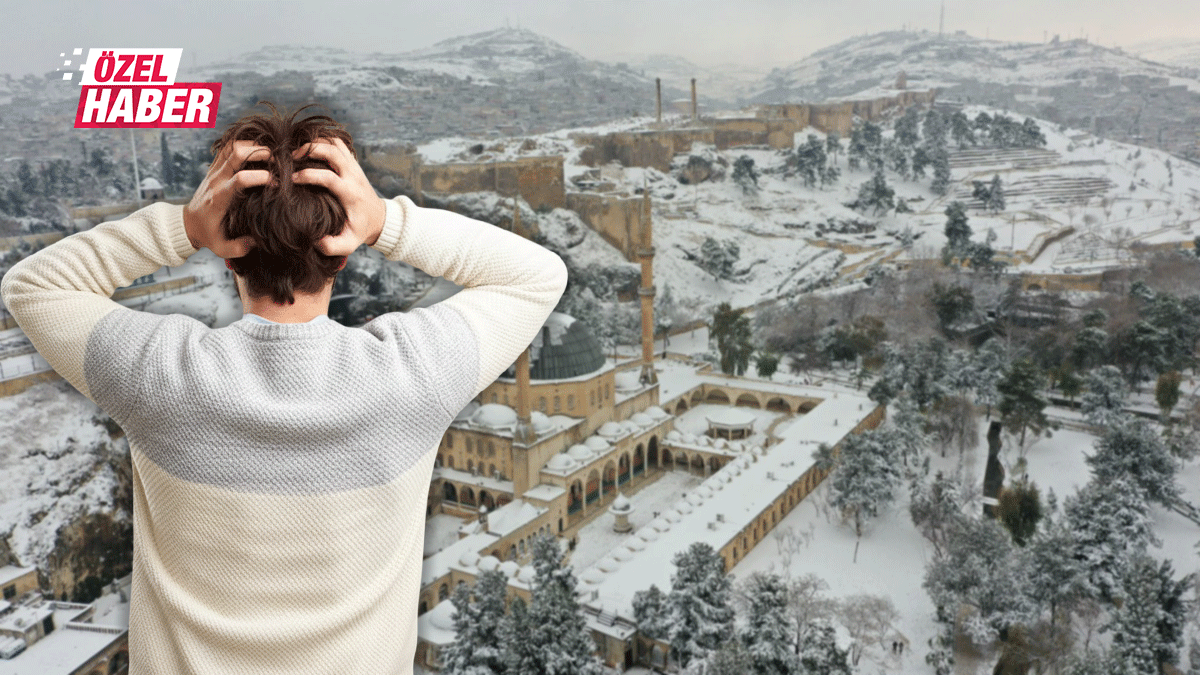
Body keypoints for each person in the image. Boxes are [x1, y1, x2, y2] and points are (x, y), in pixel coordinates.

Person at [0, 103, 568, 674]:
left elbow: (33, 286)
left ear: (230, 259)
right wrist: (383, 222)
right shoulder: (411, 374)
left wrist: (187, 227)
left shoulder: (160, 377)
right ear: (341, 257)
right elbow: (537, 274)